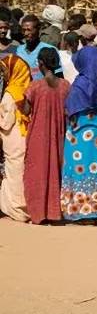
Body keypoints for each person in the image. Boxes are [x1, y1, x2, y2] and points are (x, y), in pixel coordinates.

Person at [60, 45, 97, 224]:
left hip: (80, 143)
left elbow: (72, 114)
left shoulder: (79, 86)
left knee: (80, 172)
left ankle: (82, 211)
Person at [22, 48, 70, 225]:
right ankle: (54, 212)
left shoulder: (35, 86)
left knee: (37, 172)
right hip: (59, 135)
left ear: (40, 63)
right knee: (56, 171)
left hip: (38, 136)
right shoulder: (65, 85)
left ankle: (38, 213)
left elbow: (26, 110)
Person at [0, 55, 31, 221]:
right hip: (23, 136)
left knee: (14, 173)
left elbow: (6, 122)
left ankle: (17, 210)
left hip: (12, 138)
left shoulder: (10, 94)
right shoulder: (26, 88)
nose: (3, 75)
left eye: (5, 71)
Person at [16, 15, 55, 82]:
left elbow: (58, 78)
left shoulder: (50, 50)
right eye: (23, 30)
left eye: (29, 30)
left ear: (38, 30)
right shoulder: (18, 50)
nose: (26, 33)